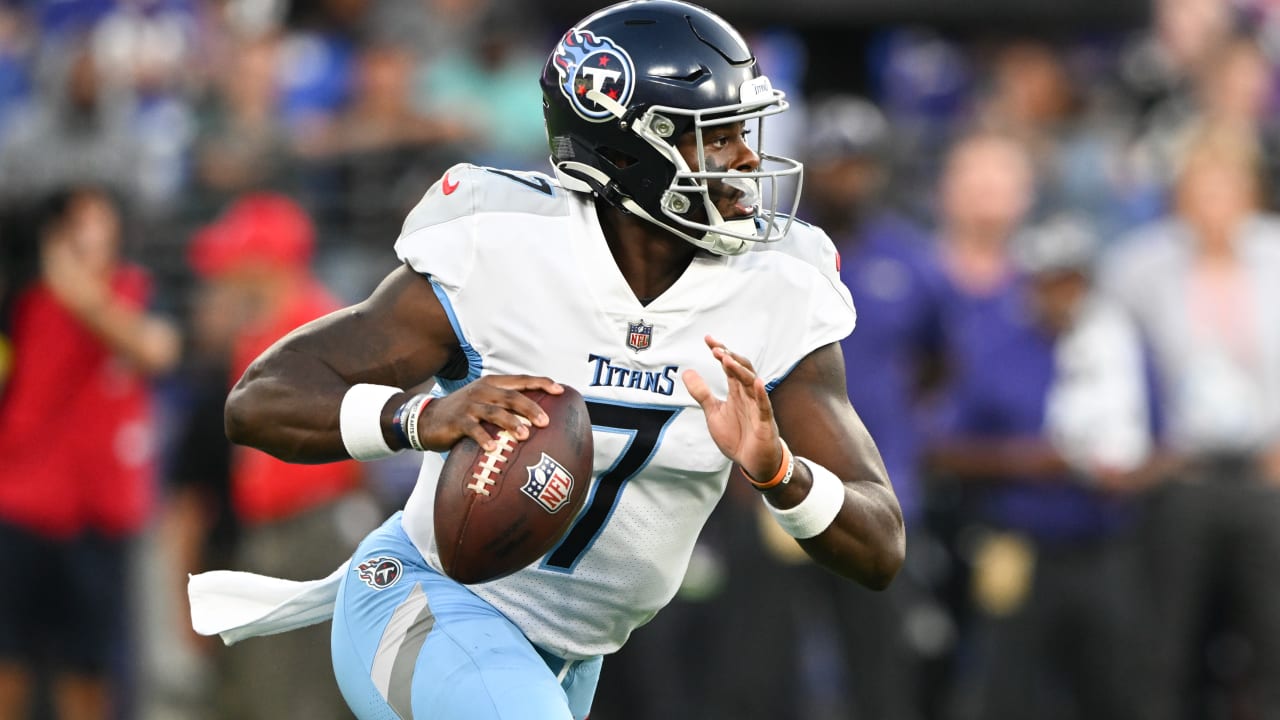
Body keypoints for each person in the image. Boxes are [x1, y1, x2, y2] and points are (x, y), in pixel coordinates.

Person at [189, 3, 905, 719]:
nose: (747, 159)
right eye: (711, 137)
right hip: (428, 602)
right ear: (625, 151)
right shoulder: (505, 247)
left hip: (569, 656)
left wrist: (779, 471)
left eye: (743, 130)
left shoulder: (775, 286)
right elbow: (261, 399)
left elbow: (881, 545)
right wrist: (420, 416)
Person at [0, 186, 180, 720]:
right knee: (10, 658)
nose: (85, 236)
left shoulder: (136, 292)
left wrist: (81, 295)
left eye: (96, 223)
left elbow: (156, 350)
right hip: (23, 508)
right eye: (73, 225)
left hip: (99, 516)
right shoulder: (22, 300)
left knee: (91, 665)